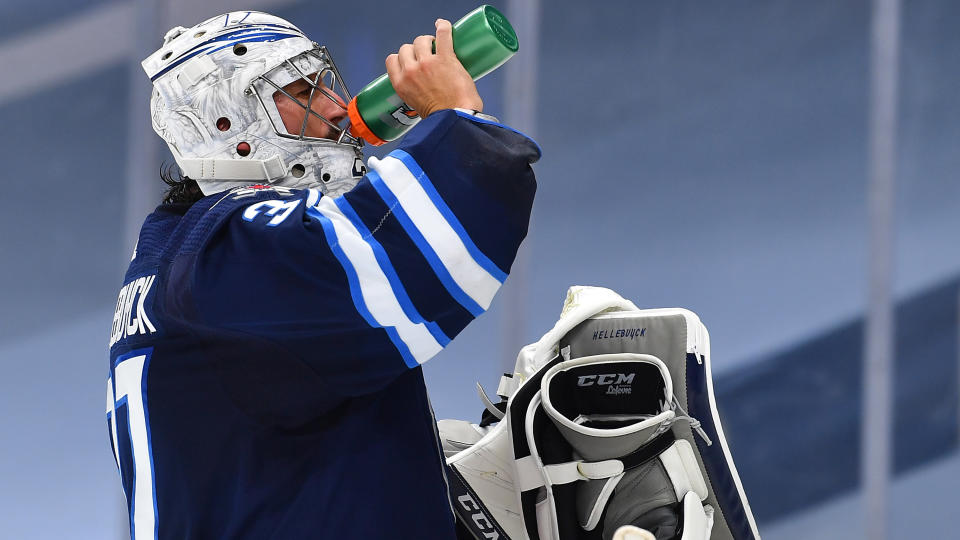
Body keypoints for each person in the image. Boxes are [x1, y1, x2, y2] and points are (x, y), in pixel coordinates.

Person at [106, 10, 540, 539]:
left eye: (326, 84)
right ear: (226, 125)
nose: (336, 106)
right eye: (300, 90)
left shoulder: (178, 254)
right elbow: (427, 249)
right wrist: (455, 115)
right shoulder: (236, 252)